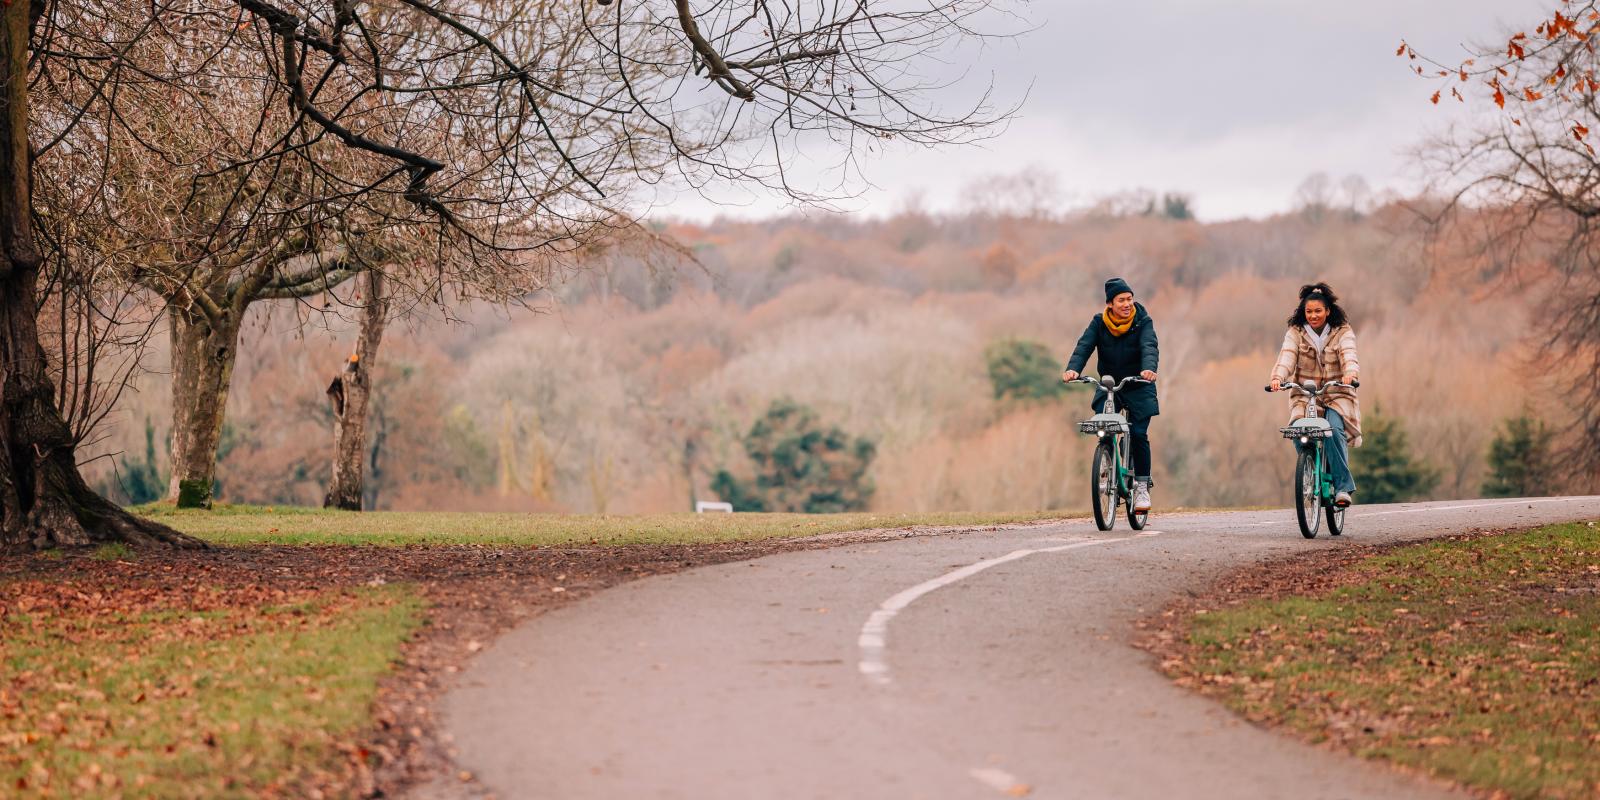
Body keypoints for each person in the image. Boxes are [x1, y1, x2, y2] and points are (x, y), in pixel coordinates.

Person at [1061, 277, 1159, 512]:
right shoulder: (1099, 323)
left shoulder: (1143, 321)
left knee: (1137, 433)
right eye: (1121, 300)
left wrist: (1149, 369)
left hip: (1138, 383)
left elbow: (1149, 345)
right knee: (1103, 426)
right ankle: (1107, 459)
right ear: (1110, 304)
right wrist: (1073, 368)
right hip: (1109, 385)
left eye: (1129, 299)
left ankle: (1142, 486)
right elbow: (1084, 345)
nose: (1127, 304)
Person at [1267, 282, 1362, 507]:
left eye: (1318, 311)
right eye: (1309, 311)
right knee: (1298, 430)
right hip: (1305, 393)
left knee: (1333, 430)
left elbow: (1349, 355)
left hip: (1337, 393)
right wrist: (1278, 378)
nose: (1313, 316)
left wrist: (1350, 374)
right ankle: (1309, 468)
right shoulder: (1296, 332)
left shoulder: (1342, 331)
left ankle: (1342, 487)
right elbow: (1287, 357)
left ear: (1328, 311)